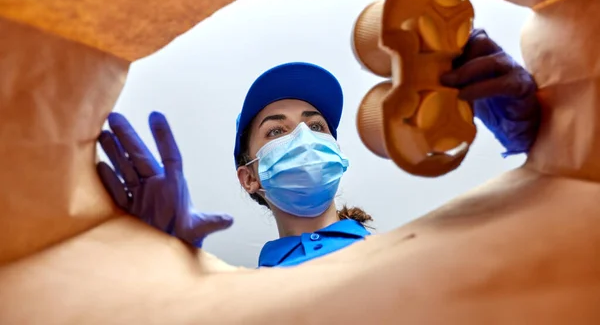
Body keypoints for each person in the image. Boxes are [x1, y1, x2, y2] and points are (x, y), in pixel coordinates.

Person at [97, 29, 541, 267]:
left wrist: (542, 140)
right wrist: (162, 265)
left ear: (338, 154)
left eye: (316, 126)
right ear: (250, 176)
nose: (304, 138)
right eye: (276, 131)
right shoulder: (244, 295)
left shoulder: (407, 252)